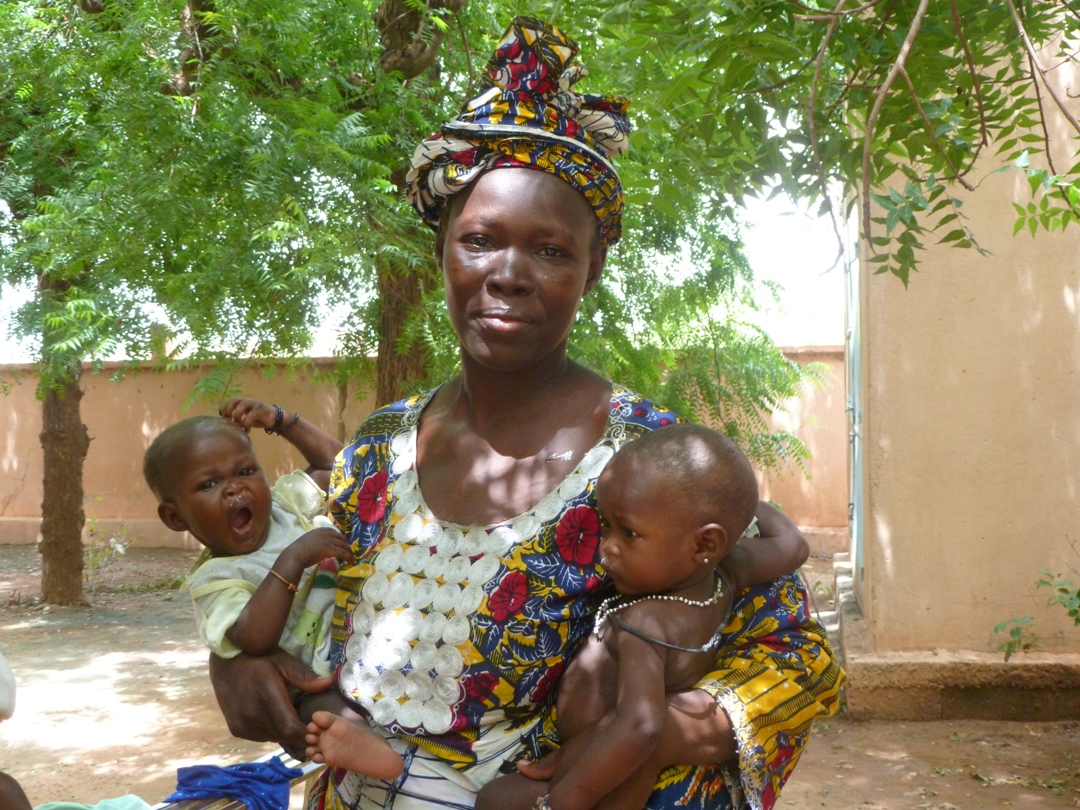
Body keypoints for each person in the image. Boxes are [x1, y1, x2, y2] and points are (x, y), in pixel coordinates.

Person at [207, 16, 845, 810]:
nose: (509, 274)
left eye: (550, 250)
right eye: (480, 241)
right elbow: (295, 602)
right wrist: (236, 661)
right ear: (442, 249)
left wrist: (650, 736)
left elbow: (798, 660)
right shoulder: (378, 451)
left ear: (592, 269)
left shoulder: (652, 458)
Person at [475, 424, 806, 810]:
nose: (607, 548)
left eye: (628, 533)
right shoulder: (729, 572)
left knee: (495, 800)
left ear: (704, 543)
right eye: (606, 527)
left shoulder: (643, 625)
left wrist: (564, 799)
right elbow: (793, 545)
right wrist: (744, 507)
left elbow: (641, 725)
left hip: (604, 771)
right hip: (617, 765)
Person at [144, 398, 404, 779]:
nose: (235, 489)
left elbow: (339, 467)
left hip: (370, 632)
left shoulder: (286, 506)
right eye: (209, 484)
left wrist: (282, 421)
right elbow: (254, 639)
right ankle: (367, 749)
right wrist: (293, 559)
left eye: (246, 471)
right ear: (174, 516)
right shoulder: (215, 579)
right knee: (323, 711)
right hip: (320, 674)